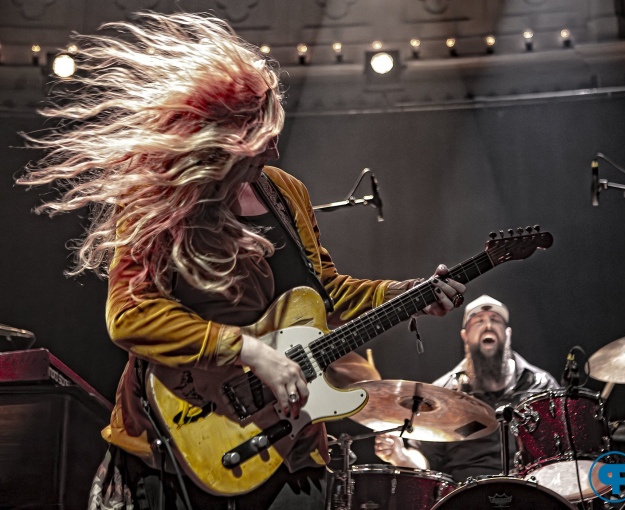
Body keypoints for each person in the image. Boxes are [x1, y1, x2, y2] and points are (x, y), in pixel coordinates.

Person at [16, 12, 466, 510]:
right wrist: (250, 352)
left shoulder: (286, 193)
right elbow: (130, 316)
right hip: (181, 438)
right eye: (258, 134)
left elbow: (323, 293)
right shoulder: (158, 202)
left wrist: (404, 296)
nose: (275, 145)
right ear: (215, 142)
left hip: (290, 447)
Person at [374, 294, 557, 482]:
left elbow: (562, 449)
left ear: (508, 333)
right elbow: (425, 460)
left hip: (530, 490)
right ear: (465, 336)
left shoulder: (540, 384)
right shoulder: (443, 393)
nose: (488, 326)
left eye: (495, 320)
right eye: (478, 321)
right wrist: (400, 456)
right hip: (466, 494)